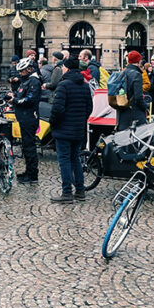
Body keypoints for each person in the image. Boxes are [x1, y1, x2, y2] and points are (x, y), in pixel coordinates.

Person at [49, 56, 93, 203]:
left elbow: (57, 110)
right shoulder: (84, 85)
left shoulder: (63, 85)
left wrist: (53, 124)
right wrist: (80, 120)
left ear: (66, 68)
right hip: (78, 129)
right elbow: (89, 108)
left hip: (63, 130)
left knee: (65, 161)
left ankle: (67, 192)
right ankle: (80, 191)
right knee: (76, 160)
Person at [11, 57, 43, 183]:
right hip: (24, 117)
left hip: (29, 117)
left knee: (29, 147)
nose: (20, 74)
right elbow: (21, 94)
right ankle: (28, 171)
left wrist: (14, 100)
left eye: (22, 71)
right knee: (25, 146)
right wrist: (14, 96)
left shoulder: (34, 81)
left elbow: (30, 100)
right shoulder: (26, 81)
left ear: (29, 69)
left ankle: (32, 175)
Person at [115, 51, 148, 131]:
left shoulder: (122, 72)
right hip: (134, 112)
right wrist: (145, 107)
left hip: (122, 111)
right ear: (139, 61)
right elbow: (138, 97)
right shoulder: (136, 74)